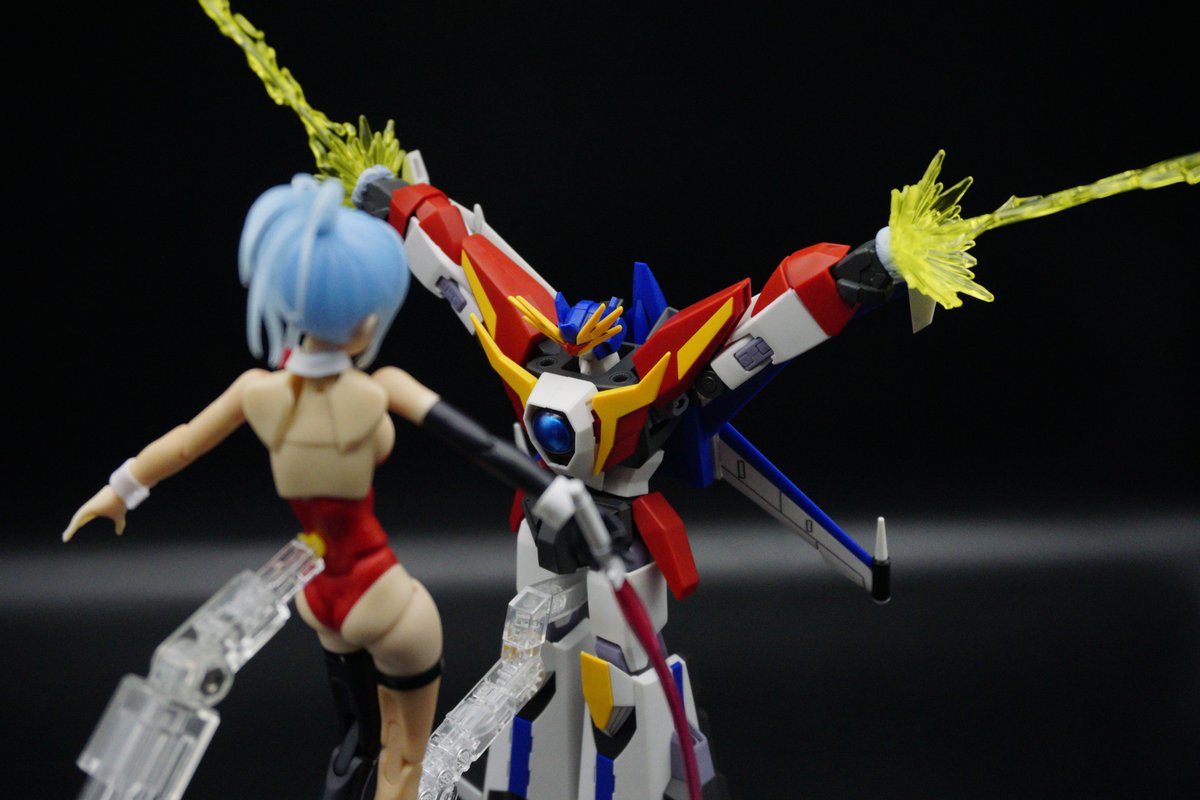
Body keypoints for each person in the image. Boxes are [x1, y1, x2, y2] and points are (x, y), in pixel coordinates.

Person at [63, 174, 571, 800]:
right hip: (384, 596)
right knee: (404, 761)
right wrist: (554, 492)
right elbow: (481, 445)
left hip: (322, 600)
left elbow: (185, 442)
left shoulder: (258, 393)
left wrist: (119, 490)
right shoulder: (381, 387)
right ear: (365, 317)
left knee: (353, 747)